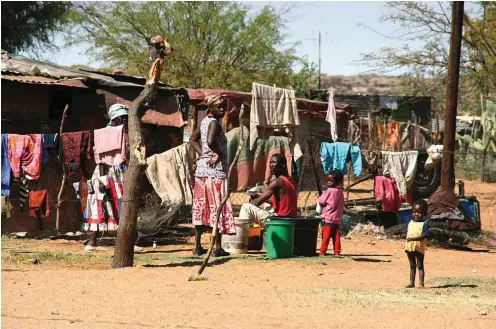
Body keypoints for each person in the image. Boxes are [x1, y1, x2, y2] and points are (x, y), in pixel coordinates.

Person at [84, 104, 143, 253]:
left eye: (125, 117)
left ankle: (127, 241)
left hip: (120, 172)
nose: (124, 120)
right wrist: (104, 179)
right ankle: (92, 242)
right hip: (107, 172)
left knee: (122, 205)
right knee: (101, 203)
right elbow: (102, 159)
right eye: (120, 118)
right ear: (113, 119)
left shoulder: (124, 134)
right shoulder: (106, 133)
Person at [190, 95, 235, 257]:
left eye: (224, 106)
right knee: (217, 207)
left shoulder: (204, 121)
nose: (223, 110)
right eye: (220, 107)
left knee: (201, 207)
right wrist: (216, 152)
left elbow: (193, 139)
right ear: (212, 108)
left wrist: (204, 155)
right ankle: (217, 248)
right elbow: (209, 141)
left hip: (202, 172)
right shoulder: (214, 123)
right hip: (215, 173)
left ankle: (197, 247)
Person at [238, 154, 298, 225]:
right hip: (290, 221)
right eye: (270, 162)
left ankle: (241, 234)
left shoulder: (277, 182)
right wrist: (258, 195)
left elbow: (256, 203)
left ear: (283, 165)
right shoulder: (290, 180)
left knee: (246, 207)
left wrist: (251, 202)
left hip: (279, 221)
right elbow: (280, 203)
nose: (270, 165)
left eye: (273, 162)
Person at [318, 170, 345, 256]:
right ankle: (337, 252)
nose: (328, 182)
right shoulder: (340, 191)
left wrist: (322, 196)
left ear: (336, 181)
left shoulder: (330, 191)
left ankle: (322, 251)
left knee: (326, 236)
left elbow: (322, 201)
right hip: (337, 218)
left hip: (328, 217)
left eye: (331, 181)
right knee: (336, 236)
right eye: (327, 180)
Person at [404, 199, 429, 289]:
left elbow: (424, 236)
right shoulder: (409, 223)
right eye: (414, 212)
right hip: (409, 247)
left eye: (419, 212)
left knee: (420, 265)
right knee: (412, 265)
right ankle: (411, 283)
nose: (416, 214)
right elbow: (406, 232)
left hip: (419, 248)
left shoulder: (424, 224)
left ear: (424, 214)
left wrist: (413, 239)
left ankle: (421, 283)